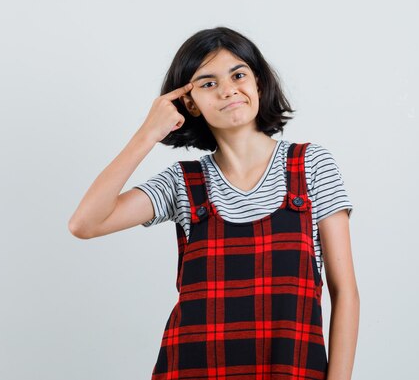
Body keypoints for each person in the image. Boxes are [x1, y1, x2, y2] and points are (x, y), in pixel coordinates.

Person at [68, 26, 360, 380]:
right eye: (207, 83)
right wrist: (148, 132)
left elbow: (344, 292)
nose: (227, 89)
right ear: (189, 103)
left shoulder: (311, 166)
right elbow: (85, 223)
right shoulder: (182, 183)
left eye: (238, 74)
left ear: (259, 84)